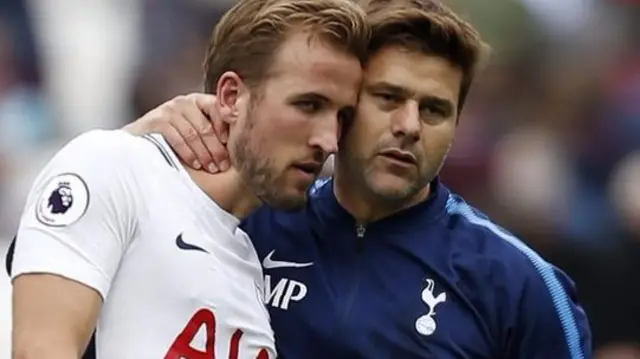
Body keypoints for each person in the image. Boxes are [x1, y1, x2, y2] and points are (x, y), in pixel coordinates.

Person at [122, 0, 594, 358]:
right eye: (387, 98)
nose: (409, 126)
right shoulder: (241, 225)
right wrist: (133, 139)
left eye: (434, 110)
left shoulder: (518, 284)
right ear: (344, 103)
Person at [7, 0, 368, 357]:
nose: (329, 140)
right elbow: (40, 349)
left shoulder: (249, 266)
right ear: (231, 97)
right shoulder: (116, 165)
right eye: (308, 105)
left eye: (343, 117)